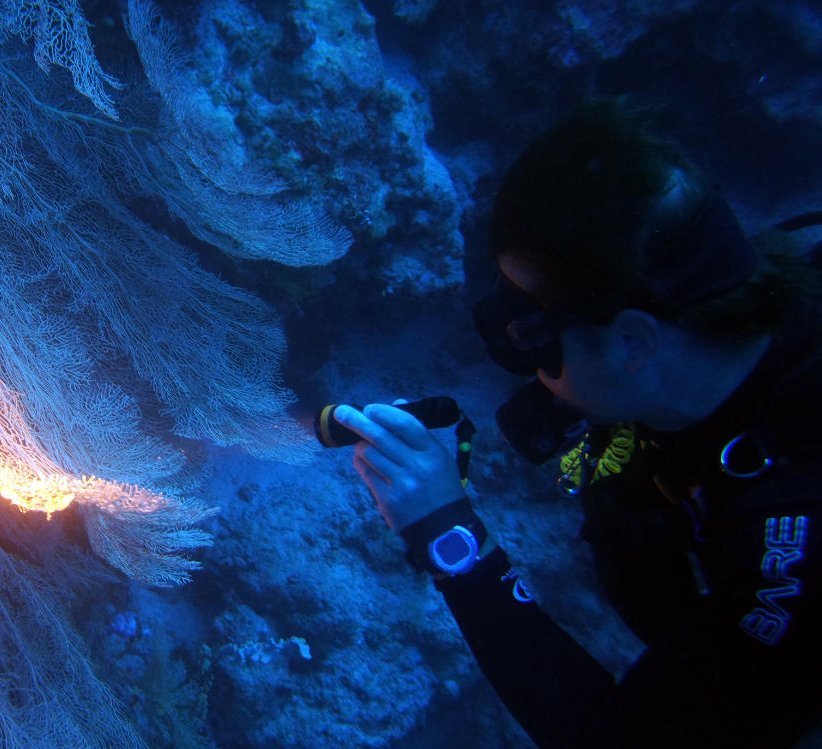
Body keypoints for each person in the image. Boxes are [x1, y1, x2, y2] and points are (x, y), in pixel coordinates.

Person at [334, 99, 821, 748]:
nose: (521, 361)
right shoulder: (716, 329)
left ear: (633, 343)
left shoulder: (790, 546)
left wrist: (449, 536)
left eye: (531, 331)